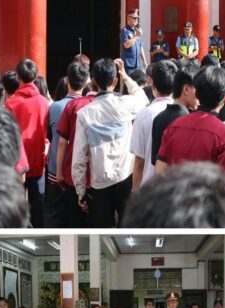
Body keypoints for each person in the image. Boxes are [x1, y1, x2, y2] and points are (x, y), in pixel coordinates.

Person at [71, 58, 148, 227]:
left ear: (93, 82)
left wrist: (81, 191)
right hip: (125, 176)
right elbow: (143, 98)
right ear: (115, 81)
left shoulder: (84, 114)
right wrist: (125, 76)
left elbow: (79, 157)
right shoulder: (126, 105)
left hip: (100, 182)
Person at [155, 66, 225, 178]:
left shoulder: (173, 126)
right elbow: (222, 182)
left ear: (197, 94)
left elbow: (159, 171)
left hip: (173, 193)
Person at [4, 59, 49, 227]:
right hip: (37, 160)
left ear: (18, 76)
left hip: (17, 164)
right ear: (35, 76)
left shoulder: (10, 103)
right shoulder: (44, 103)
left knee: (17, 206)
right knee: (38, 205)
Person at [45, 62, 89, 227]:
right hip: (78, 174)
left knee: (53, 215)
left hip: (55, 172)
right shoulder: (89, 106)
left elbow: (51, 137)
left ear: (66, 81)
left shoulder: (55, 106)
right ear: (85, 84)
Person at [131, 60, 177, 189]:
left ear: (153, 85)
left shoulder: (143, 115)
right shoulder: (184, 114)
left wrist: (135, 193)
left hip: (149, 190)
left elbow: (139, 162)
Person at [120, 8, 147, 74]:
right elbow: (126, 45)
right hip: (128, 65)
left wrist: (144, 61)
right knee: (128, 83)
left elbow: (140, 47)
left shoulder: (137, 31)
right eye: (134, 18)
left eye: (137, 18)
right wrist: (136, 36)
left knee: (136, 83)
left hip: (137, 64)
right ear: (128, 18)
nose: (136, 20)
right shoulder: (125, 31)